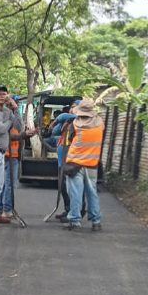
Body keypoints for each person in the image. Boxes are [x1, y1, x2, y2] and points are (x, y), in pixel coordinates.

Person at [0, 85, 36, 228]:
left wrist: (15, 109)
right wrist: (9, 120)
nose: (2, 96)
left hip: (0, 153)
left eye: (4, 94)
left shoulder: (8, 112)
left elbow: (19, 125)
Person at [62, 99, 104, 231]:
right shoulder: (100, 123)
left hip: (75, 163)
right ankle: (96, 221)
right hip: (92, 163)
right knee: (92, 193)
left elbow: (68, 139)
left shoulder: (75, 124)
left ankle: (75, 220)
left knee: (75, 193)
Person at [0, 95, 36, 220]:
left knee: (5, 184)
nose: (17, 105)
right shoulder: (5, 116)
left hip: (12, 154)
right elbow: (16, 130)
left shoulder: (9, 115)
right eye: (16, 103)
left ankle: (0, 208)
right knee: (9, 184)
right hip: (8, 155)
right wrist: (24, 134)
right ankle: (7, 210)